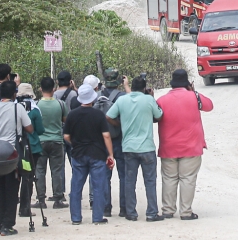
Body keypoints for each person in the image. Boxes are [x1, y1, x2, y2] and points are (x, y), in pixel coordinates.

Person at [156, 69, 213, 220]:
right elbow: (209, 106)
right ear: (187, 83)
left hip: (168, 147)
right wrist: (193, 91)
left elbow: (155, 116)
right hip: (191, 146)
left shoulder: (161, 100)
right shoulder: (194, 97)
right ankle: (186, 212)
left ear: (172, 83)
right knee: (188, 179)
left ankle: (168, 210)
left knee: (169, 178)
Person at [106, 75, 164, 222]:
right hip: (146, 147)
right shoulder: (148, 100)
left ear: (131, 86)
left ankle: (131, 212)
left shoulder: (122, 100)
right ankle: (151, 213)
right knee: (150, 181)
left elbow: (108, 116)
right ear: (144, 88)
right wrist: (152, 97)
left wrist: (119, 124)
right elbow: (160, 115)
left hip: (128, 147)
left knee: (129, 181)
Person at [0, 80, 33, 236]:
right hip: (11, 155)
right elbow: (30, 129)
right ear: (14, 94)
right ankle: (7, 225)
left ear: (0, 94)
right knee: (11, 190)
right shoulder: (18, 108)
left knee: (0, 190)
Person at [62, 84, 114, 226]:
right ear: (93, 98)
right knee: (98, 186)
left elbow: (66, 136)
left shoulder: (72, 114)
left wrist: (75, 143)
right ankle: (97, 217)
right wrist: (110, 154)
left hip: (78, 154)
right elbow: (106, 135)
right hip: (97, 154)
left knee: (76, 186)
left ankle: (76, 218)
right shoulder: (98, 114)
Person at [96, 69, 128, 217]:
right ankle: (124, 208)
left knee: (104, 176)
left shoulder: (97, 96)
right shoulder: (122, 97)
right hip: (119, 139)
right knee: (123, 175)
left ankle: (106, 208)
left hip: (102, 141)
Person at [36, 77, 69, 209]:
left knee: (40, 170)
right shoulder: (60, 104)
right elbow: (65, 120)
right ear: (54, 89)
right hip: (56, 140)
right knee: (57, 170)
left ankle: (41, 200)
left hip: (40, 141)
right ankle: (58, 198)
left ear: (40, 88)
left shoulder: (37, 105)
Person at [16, 84, 45, 219]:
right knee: (28, 178)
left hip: (17, 148)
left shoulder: (14, 108)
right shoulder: (35, 110)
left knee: (17, 177)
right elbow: (39, 130)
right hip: (32, 148)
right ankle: (25, 207)